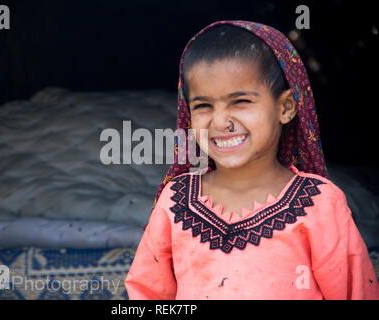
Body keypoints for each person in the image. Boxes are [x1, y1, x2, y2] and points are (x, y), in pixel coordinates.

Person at [124, 21, 379, 300]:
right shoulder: (177, 200)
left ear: (285, 108)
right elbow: (146, 294)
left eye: (240, 102)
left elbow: (356, 293)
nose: (220, 122)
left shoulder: (318, 203)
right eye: (203, 106)